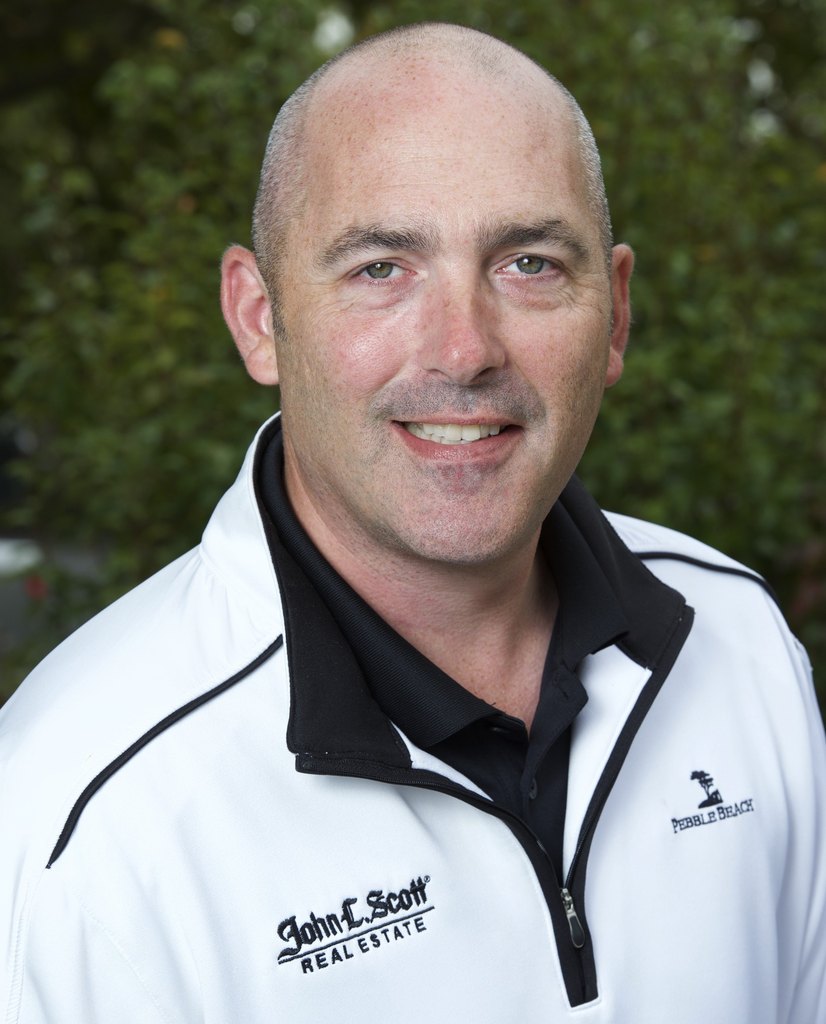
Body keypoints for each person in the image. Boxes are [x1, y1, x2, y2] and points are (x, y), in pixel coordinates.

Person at [1, 22, 824, 1024]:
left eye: (528, 263)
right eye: (381, 268)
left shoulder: (739, 642)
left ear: (613, 315)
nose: (464, 349)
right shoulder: (80, 819)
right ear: (259, 318)